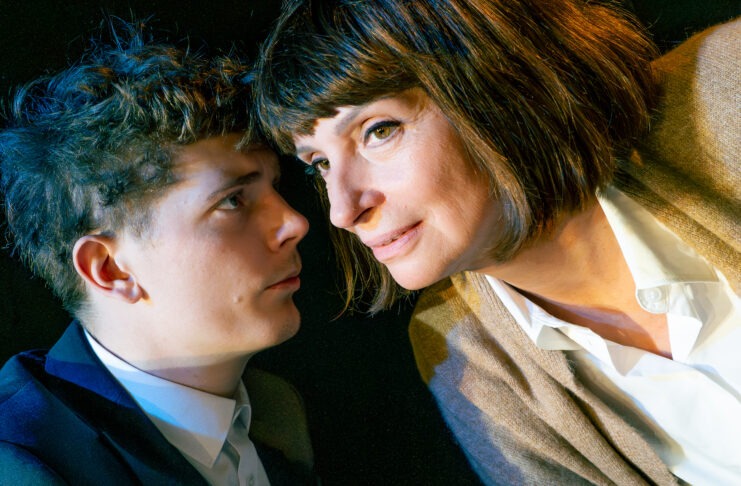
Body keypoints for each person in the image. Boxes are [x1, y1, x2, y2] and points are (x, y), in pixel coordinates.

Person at [254, 1, 740, 484]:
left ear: (497, 82)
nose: (343, 211)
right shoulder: (463, 351)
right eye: (320, 164)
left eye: (379, 131)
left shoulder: (727, 84)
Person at [0, 21, 316, 485]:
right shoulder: (20, 462)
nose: (294, 222)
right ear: (110, 269)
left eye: (276, 187)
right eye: (233, 201)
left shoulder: (275, 409)